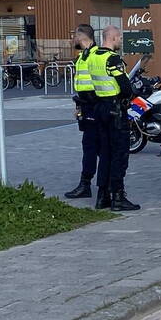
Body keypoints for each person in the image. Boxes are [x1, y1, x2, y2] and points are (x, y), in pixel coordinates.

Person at [91, 25, 140, 212]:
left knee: (105, 154)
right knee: (119, 154)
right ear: (113, 38)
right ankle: (118, 197)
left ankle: (102, 196)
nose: (120, 41)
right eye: (120, 38)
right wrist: (129, 96)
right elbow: (126, 87)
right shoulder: (113, 59)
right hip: (115, 110)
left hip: (100, 108)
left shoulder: (93, 57)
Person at [64, 25, 100, 201]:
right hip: (86, 106)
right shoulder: (82, 57)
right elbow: (82, 85)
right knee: (91, 147)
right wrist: (78, 106)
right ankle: (91, 184)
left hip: (95, 107)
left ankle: (88, 184)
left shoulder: (94, 56)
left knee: (92, 147)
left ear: (81, 36)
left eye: (74, 36)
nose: (73, 39)